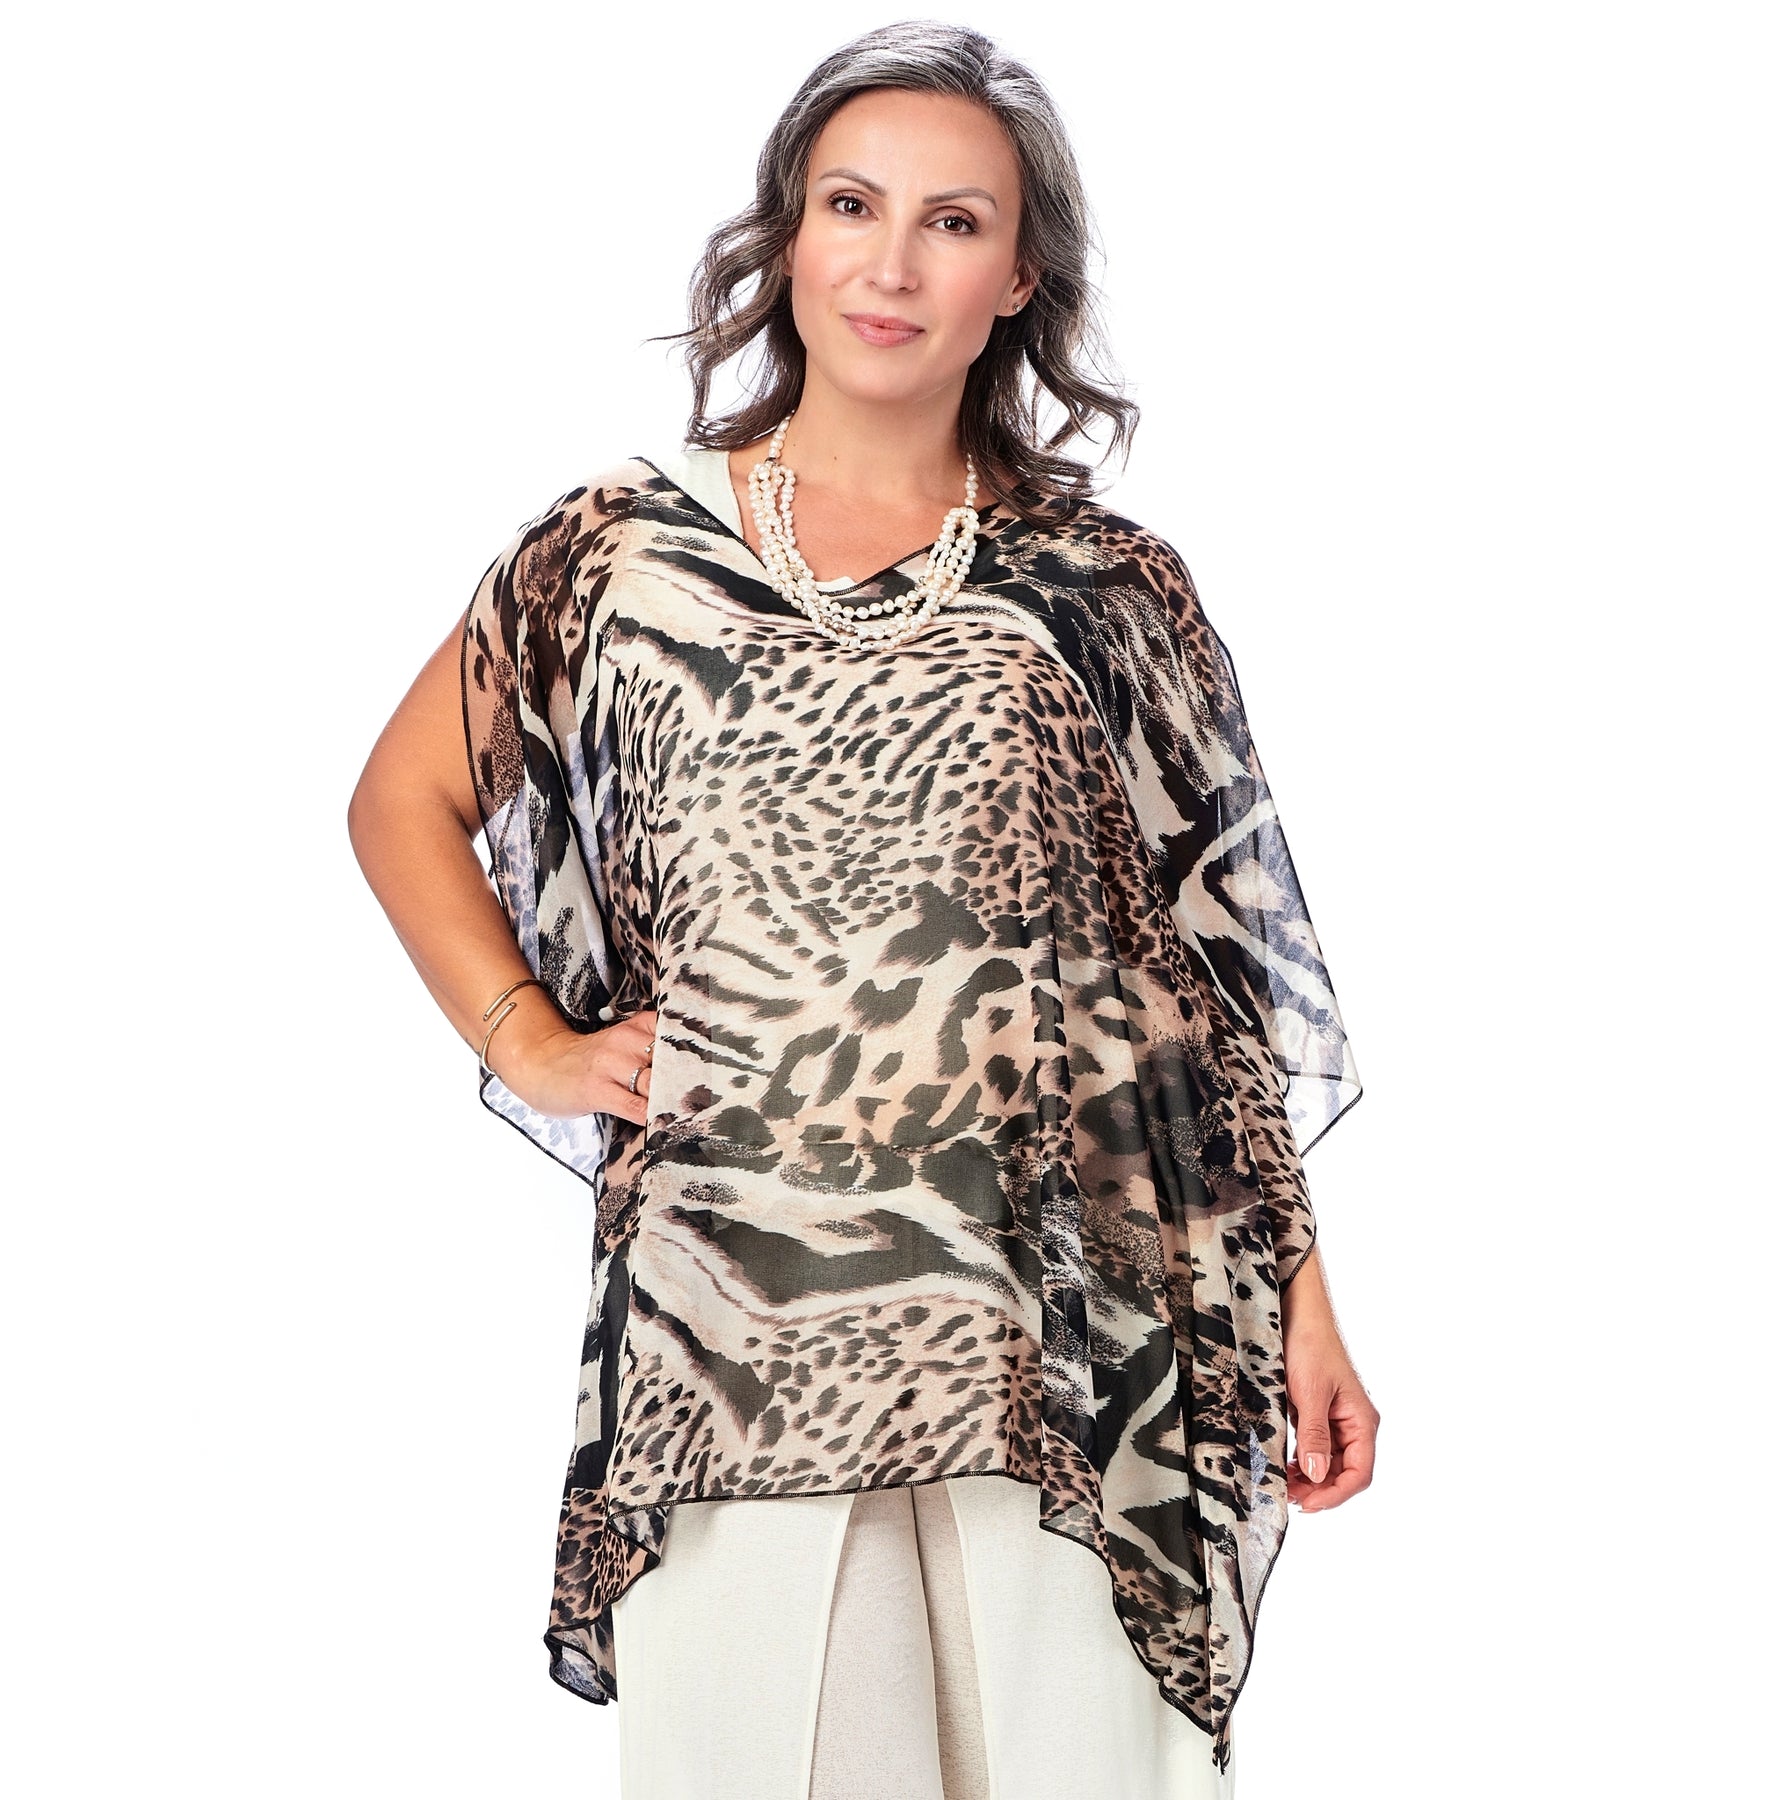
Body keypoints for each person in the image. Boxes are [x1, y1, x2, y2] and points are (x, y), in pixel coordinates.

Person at [347, 20, 1379, 1799]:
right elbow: (403, 800)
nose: (891, 264)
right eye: (851, 206)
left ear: (1017, 280)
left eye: (952, 222)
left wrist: (1306, 1303)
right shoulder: (619, 547)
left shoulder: (1103, 585)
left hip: (1066, 1328)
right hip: (731, 1321)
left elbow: (1208, 986)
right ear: (787, 237)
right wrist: (532, 1038)